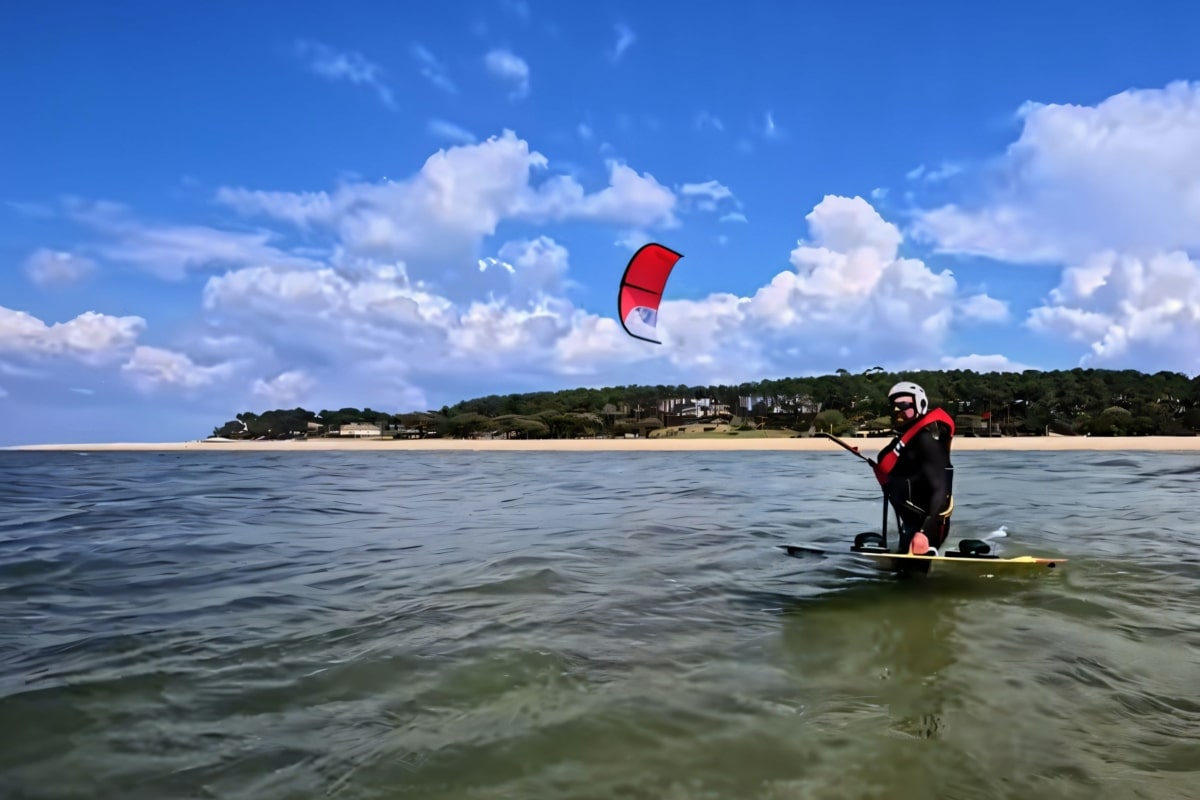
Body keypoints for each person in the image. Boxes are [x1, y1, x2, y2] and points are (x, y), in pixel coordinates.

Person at [871, 381, 956, 555]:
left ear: (920, 404)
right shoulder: (903, 440)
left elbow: (941, 489)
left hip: (927, 526)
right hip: (909, 522)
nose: (896, 410)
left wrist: (924, 533)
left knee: (909, 577)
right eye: (893, 406)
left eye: (903, 405)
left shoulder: (927, 440)